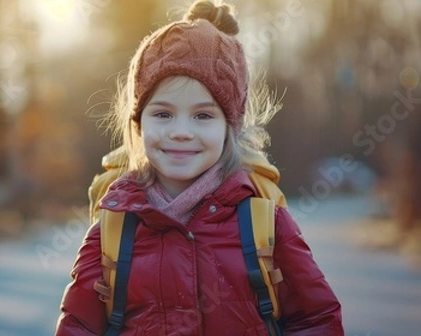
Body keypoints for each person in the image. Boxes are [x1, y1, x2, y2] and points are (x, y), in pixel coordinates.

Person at [55, 1, 344, 335]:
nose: (181, 131)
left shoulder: (265, 223)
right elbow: (78, 327)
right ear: (138, 124)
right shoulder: (112, 231)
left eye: (203, 116)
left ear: (229, 128)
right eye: (163, 114)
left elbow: (317, 320)